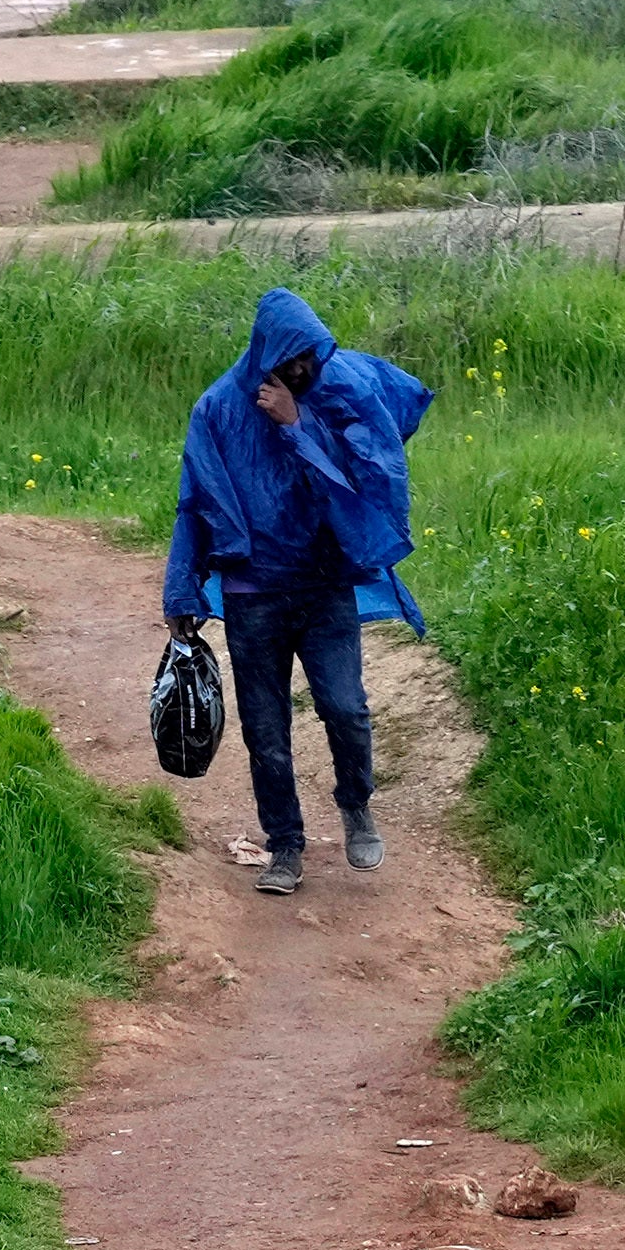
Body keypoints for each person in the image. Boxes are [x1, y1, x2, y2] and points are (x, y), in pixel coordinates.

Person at [163, 287, 433, 900]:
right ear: (269, 355)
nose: (308, 369)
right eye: (296, 360)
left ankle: (356, 804)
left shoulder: (333, 394)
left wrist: (298, 423)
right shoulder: (218, 411)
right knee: (266, 730)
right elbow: (194, 501)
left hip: (326, 585)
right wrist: (182, 594)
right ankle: (284, 846)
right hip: (254, 596)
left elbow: (367, 473)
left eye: (313, 356)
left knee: (345, 707)